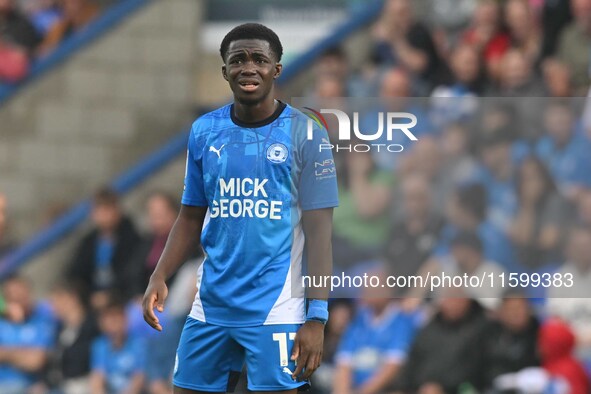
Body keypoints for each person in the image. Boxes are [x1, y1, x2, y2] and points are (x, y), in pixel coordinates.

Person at [142, 23, 338, 393]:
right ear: (225, 71)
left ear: (276, 70)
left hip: (276, 310)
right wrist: (160, 274)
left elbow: (321, 235)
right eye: (238, 60)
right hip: (211, 306)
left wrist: (317, 317)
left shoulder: (306, 134)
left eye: (259, 59)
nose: (249, 67)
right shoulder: (205, 131)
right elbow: (189, 215)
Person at [333, 270, 417, 394]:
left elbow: (392, 368)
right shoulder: (358, 319)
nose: (367, 290)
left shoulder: (402, 322)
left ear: (388, 289)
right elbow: (344, 362)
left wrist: (362, 392)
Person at [391, 291, 489, 393]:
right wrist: (399, 388)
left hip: (460, 389)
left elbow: (476, 371)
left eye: (457, 300)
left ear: (467, 302)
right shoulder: (429, 329)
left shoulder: (480, 330)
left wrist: (444, 387)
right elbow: (412, 362)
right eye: (449, 299)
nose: (452, 304)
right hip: (419, 388)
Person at [67, 188, 141, 308]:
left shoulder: (132, 240)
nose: (103, 215)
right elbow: (75, 272)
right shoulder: (89, 242)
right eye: (98, 210)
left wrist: (111, 295)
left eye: (106, 210)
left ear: (117, 210)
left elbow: (131, 275)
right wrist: (86, 295)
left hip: (122, 299)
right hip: (92, 299)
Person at [509, 155, 573, 267]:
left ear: (543, 179)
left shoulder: (555, 201)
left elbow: (547, 242)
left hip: (556, 265)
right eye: (524, 179)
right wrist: (528, 206)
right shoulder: (524, 204)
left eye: (532, 178)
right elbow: (521, 241)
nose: (528, 185)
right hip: (530, 267)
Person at [0, 274, 56, 394]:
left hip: (30, 387)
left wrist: (5, 354)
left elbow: (36, 361)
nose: (18, 300)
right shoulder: (2, 323)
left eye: (22, 295)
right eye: (12, 297)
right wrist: (22, 355)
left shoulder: (43, 320)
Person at [45, 281, 99, 394]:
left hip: (85, 384)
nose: (53, 306)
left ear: (73, 298)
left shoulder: (93, 328)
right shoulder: (59, 330)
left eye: (57, 300)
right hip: (59, 386)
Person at [481, 293, 540, 389]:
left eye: (519, 308)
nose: (515, 313)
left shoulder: (539, 335)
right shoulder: (489, 335)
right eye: (511, 309)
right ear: (501, 312)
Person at [90, 295, 145, 394]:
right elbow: (97, 378)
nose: (114, 323)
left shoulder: (139, 343)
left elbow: (139, 379)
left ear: (125, 319)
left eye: (117, 317)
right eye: (109, 319)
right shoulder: (99, 345)